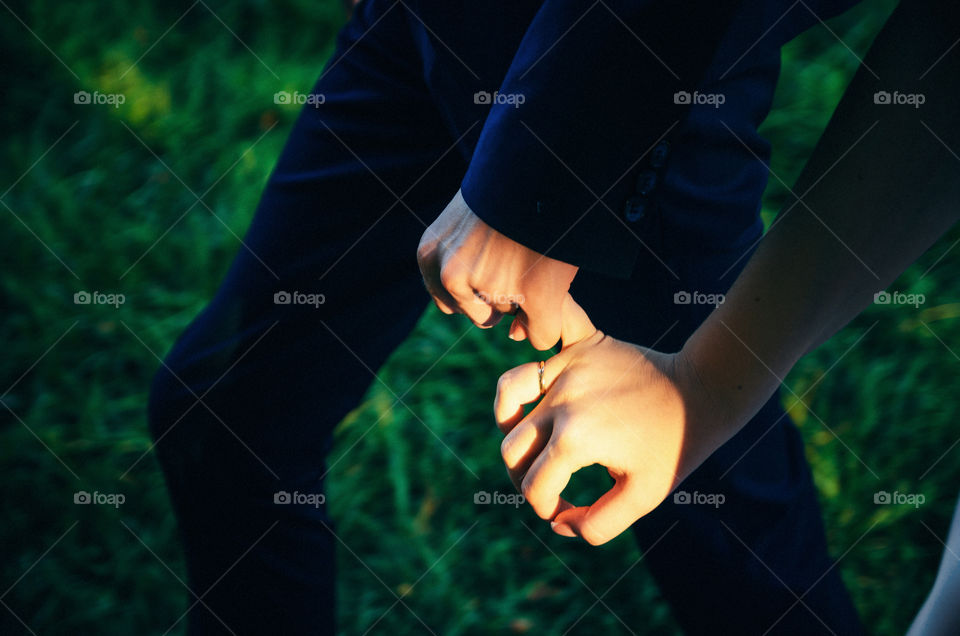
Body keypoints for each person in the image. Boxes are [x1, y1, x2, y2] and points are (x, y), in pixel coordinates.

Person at [145, 0, 923, 633]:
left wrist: (537, 180)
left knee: (710, 500)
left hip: (625, 74)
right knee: (225, 409)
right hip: (427, 20)